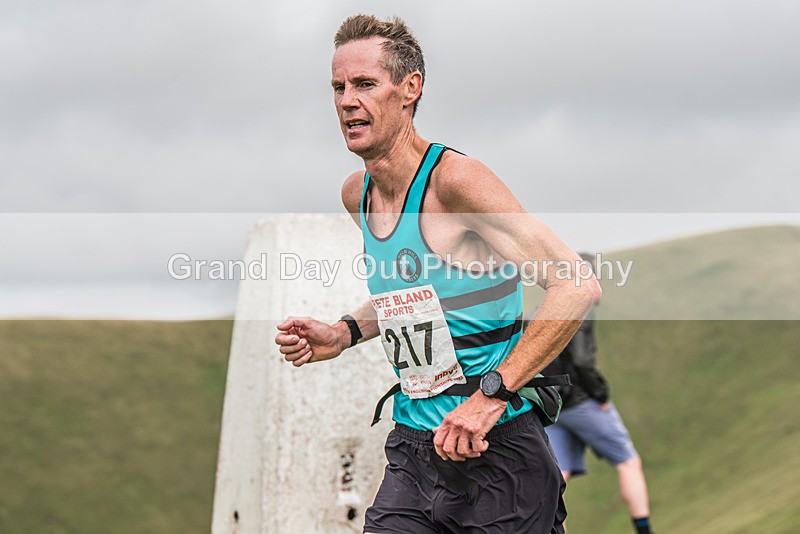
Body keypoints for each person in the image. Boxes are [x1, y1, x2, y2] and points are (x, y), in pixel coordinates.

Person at [274, 14, 601, 534]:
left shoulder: (456, 182)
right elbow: (416, 294)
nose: (347, 101)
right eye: (338, 87)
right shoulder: (358, 195)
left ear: (410, 88)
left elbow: (576, 285)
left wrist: (490, 397)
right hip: (414, 450)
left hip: (497, 449)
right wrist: (343, 333)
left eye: (365, 84)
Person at [542, 253, 653, 534]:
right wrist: (601, 395)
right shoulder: (578, 310)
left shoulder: (539, 313)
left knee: (559, 477)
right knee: (628, 462)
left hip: (550, 405)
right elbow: (581, 361)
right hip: (581, 402)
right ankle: (644, 530)